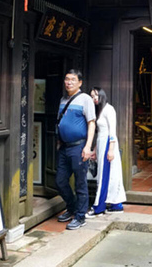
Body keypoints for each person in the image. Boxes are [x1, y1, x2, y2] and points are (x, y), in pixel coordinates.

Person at [55, 69, 96, 230]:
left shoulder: (85, 99)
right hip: (64, 147)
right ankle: (71, 207)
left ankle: (80, 216)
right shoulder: (63, 100)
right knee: (60, 181)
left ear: (80, 82)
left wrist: (88, 146)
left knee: (80, 183)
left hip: (79, 146)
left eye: (72, 79)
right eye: (66, 79)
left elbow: (91, 123)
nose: (68, 82)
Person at [86, 87, 126, 218]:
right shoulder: (99, 111)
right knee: (108, 176)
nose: (94, 99)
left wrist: (111, 149)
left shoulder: (109, 109)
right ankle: (116, 205)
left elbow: (112, 132)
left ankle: (99, 207)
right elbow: (99, 135)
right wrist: (95, 150)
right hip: (101, 144)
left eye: (96, 95)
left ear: (102, 95)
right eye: (92, 96)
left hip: (109, 144)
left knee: (105, 176)